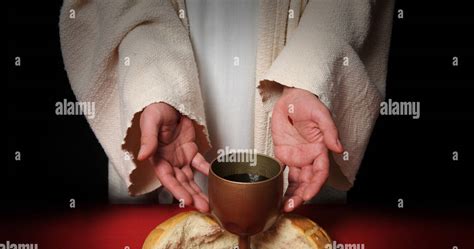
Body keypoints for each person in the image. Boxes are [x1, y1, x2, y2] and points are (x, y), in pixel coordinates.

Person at [59, 0, 394, 213]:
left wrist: (308, 78)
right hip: (173, 148)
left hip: (296, 142)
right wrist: (157, 86)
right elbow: (119, 6)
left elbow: (344, 7)